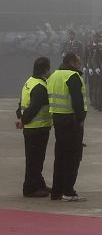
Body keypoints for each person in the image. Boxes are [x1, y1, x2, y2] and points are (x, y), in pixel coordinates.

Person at [47, 52, 87, 201]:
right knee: (72, 157)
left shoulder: (54, 75)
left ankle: (57, 191)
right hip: (71, 121)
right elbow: (77, 101)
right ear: (72, 62)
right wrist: (81, 118)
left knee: (61, 156)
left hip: (58, 119)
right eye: (78, 60)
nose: (80, 63)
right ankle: (68, 191)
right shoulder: (72, 76)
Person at [17, 56, 52, 198]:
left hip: (32, 129)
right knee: (35, 160)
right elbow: (33, 109)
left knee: (35, 159)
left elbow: (21, 103)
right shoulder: (41, 87)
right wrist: (24, 120)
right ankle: (30, 188)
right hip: (38, 128)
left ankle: (39, 183)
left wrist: (20, 116)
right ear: (45, 69)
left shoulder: (29, 82)